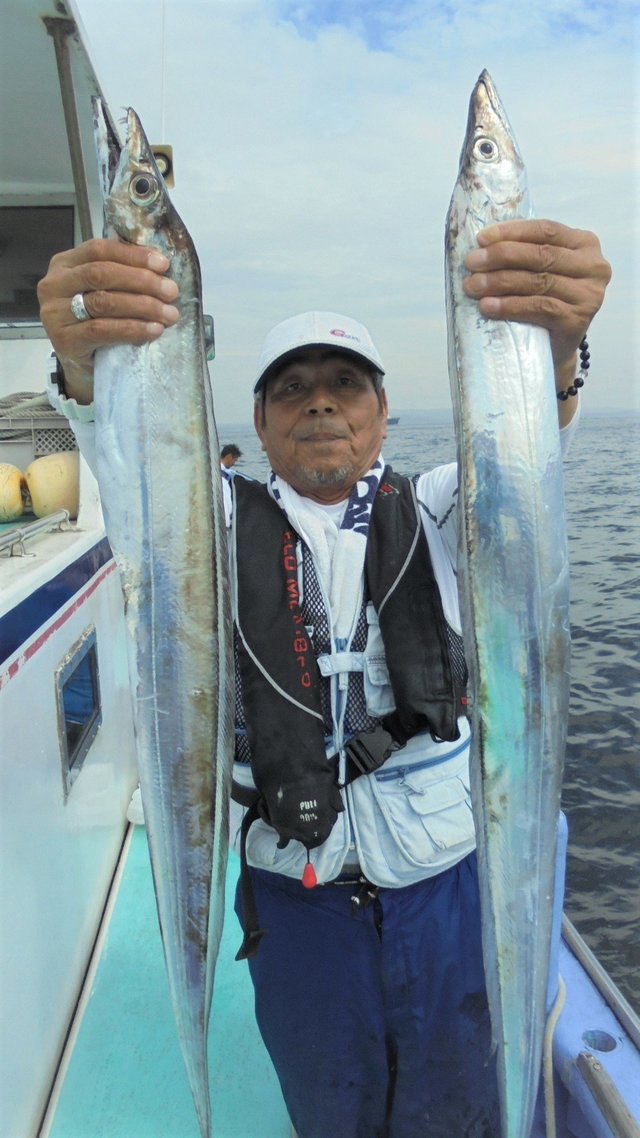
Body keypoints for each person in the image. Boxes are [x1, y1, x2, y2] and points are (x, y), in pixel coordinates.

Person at [37, 220, 611, 1138]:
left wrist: (562, 349)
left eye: (346, 385)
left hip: (443, 886)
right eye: (292, 389)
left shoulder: (438, 506)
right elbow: (130, 454)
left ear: (382, 412)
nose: (321, 404)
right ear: (258, 422)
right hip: (294, 900)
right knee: (329, 1110)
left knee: (459, 1107)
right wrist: (82, 368)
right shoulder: (209, 522)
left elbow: (523, 459)